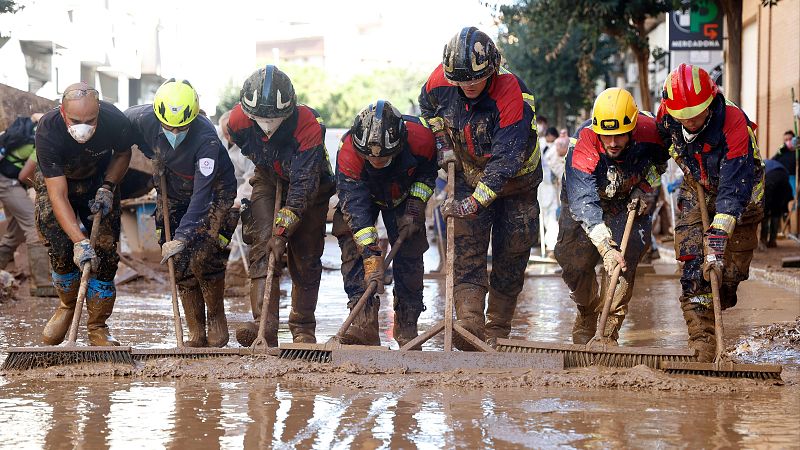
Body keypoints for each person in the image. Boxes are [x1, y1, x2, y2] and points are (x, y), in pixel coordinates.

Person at [419, 26, 542, 349]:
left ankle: (498, 325)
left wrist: (474, 203)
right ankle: (470, 321)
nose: (469, 86)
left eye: (476, 79)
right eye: (462, 81)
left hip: (517, 181)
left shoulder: (512, 92)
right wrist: (442, 140)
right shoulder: (438, 83)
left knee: (513, 250)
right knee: (466, 247)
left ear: (492, 70)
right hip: (468, 173)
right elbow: (427, 109)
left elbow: (506, 159)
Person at [657, 64, 764, 362]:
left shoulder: (733, 124)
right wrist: (688, 165)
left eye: (697, 114)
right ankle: (703, 346)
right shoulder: (667, 114)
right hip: (698, 188)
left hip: (741, 197)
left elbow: (732, 193)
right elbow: (667, 141)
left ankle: (724, 292)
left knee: (728, 274)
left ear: (711, 101)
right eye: (682, 116)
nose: (689, 121)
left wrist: (715, 246)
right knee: (694, 267)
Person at [227, 65, 334, 347]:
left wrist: (282, 232)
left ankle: (302, 326)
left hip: (311, 183)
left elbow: (303, 188)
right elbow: (250, 152)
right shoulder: (236, 123)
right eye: (260, 118)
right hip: (268, 175)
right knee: (261, 245)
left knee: (306, 254)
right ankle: (265, 326)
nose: (267, 125)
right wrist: (271, 235)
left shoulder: (308, 125)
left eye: (274, 119)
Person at [126, 79, 238, 347]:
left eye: (181, 127)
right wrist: (152, 154)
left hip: (213, 194)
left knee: (202, 256)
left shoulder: (207, 140)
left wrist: (183, 235)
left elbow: (201, 197)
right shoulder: (140, 118)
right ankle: (196, 330)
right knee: (179, 262)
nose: (174, 131)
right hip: (172, 190)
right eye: (168, 126)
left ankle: (216, 318)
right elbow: (120, 133)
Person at [554, 88, 668, 344]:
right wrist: (605, 248)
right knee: (573, 262)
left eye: (620, 136)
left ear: (633, 128)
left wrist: (645, 189)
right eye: (607, 136)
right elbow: (584, 202)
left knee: (623, 264)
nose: (613, 143)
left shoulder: (652, 132)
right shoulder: (583, 143)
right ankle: (587, 311)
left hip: (627, 202)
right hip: (585, 199)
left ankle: (608, 331)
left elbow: (660, 165)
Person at [34, 82, 132, 346]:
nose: (84, 126)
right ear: (64, 113)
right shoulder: (48, 129)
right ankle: (67, 306)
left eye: (90, 119)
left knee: (105, 250)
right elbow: (58, 195)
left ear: (99, 111)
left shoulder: (115, 120)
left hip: (98, 181)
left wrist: (109, 186)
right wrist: (79, 241)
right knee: (60, 247)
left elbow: (124, 153)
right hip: (59, 181)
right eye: (76, 120)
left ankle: (98, 325)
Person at [332, 100, 436, 347]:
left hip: (403, 195)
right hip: (364, 196)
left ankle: (407, 326)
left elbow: (427, 174)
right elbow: (354, 207)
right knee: (351, 241)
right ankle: (363, 322)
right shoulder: (348, 151)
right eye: (370, 157)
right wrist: (371, 255)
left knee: (410, 252)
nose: (377, 161)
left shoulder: (422, 138)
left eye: (385, 157)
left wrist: (415, 205)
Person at [0, 114, 56, 296]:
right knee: (34, 226)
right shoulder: (42, 142)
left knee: (15, 234)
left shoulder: (34, 130)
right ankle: (42, 285)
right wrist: (43, 187)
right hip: (8, 183)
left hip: (9, 181)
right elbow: (24, 176)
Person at [760, 159, 793, 248]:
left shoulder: (761, 164)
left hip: (771, 180)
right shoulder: (775, 165)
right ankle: (772, 241)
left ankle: (763, 240)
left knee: (765, 212)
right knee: (776, 211)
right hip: (784, 180)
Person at [539, 127, 560, 255]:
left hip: (553, 188)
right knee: (543, 217)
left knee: (553, 218)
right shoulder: (540, 144)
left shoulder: (557, 147)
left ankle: (552, 246)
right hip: (541, 187)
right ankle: (546, 244)